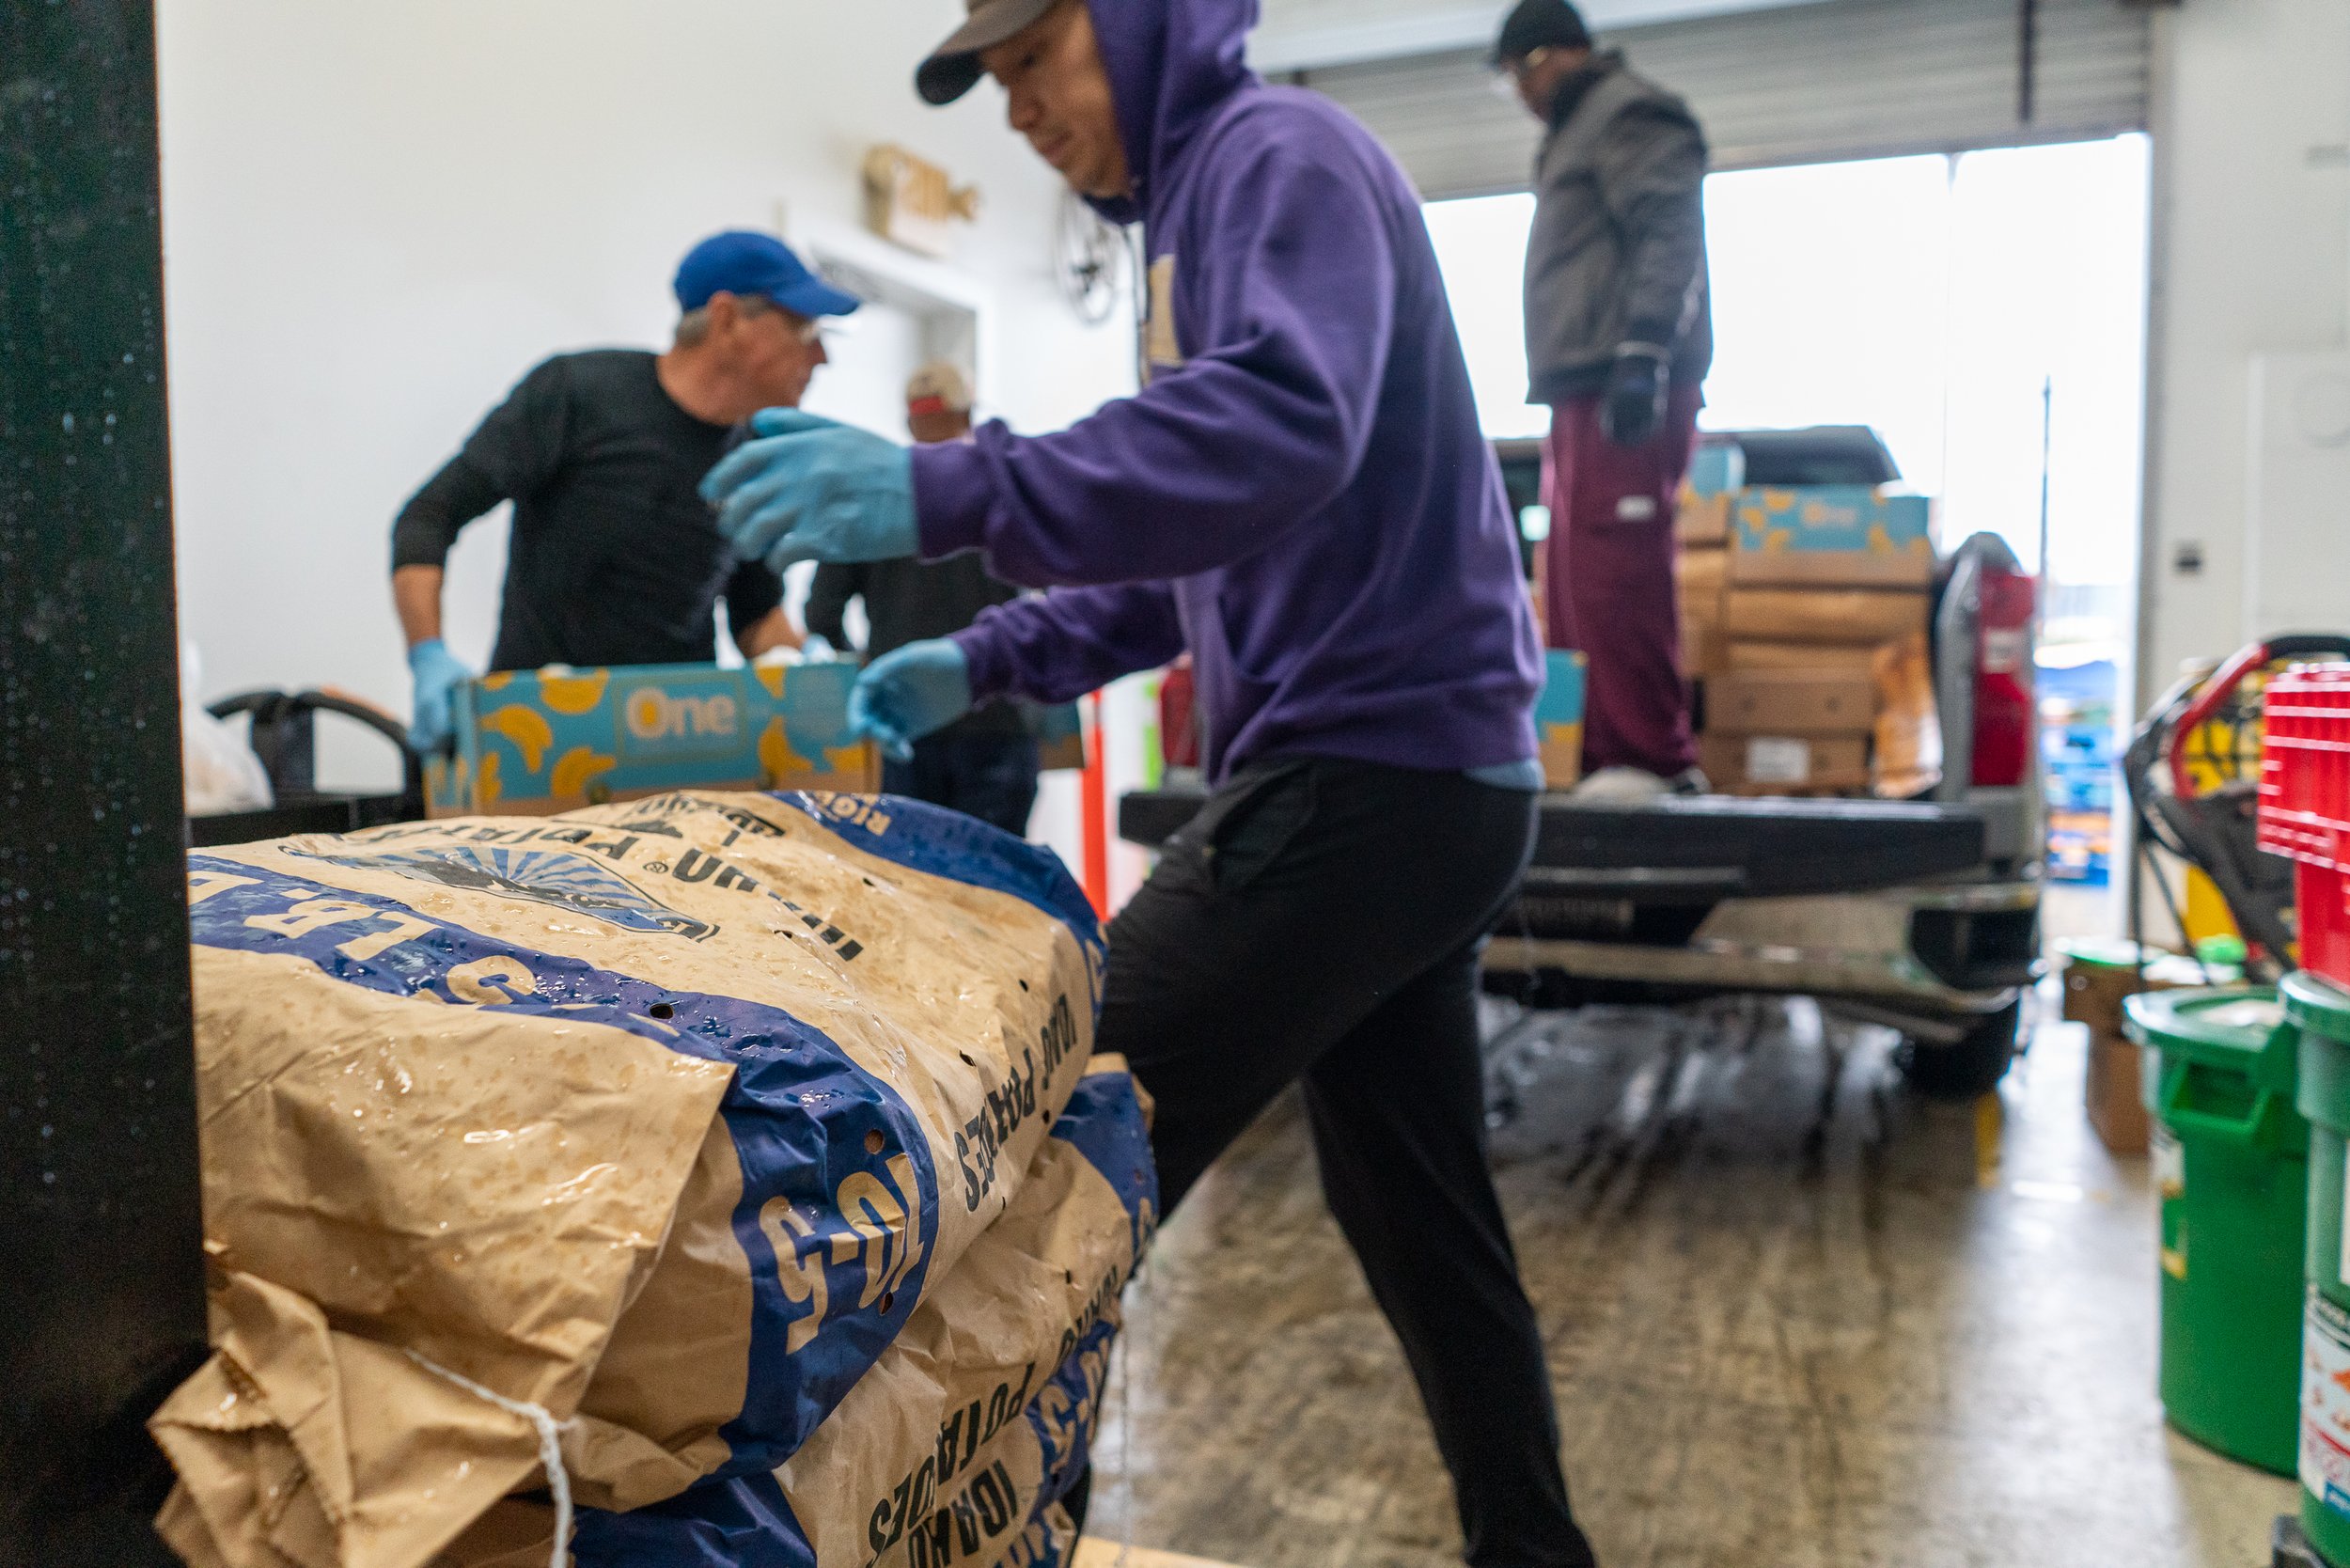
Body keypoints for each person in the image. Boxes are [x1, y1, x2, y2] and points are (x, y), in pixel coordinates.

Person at [700, 3, 1599, 1565]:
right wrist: (987, 656)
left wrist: (944, 487)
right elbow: (1199, 541)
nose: (1022, 109)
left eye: (1039, 58)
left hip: (1363, 777)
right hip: (1424, 785)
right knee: (1424, 1228)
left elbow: (1275, 432)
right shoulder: (1202, 223)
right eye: (996, 83)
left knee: (1042, 1177)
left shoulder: (1277, 157)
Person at [390, 230, 857, 751]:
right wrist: (427, 656)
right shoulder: (578, 394)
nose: (821, 356)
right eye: (804, 328)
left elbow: (755, 614)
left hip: (678, 746)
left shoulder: (756, 458)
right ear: (726, 320)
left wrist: (807, 676)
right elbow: (428, 517)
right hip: (544, 738)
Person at [1497, 0, 1712, 798]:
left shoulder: (1629, 113)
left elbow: (1668, 229)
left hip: (1624, 380)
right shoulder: (1580, 129)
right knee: (1576, 579)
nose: (1518, 94)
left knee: (1620, 573)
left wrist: (1644, 350)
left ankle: (1655, 760)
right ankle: (1594, 756)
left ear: (1556, 55)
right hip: (1582, 385)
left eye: (1520, 74)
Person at [803, 364, 1040, 837]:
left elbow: (821, 614)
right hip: (994, 718)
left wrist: (871, 667)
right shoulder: (1006, 492)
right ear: (968, 415)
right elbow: (1061, 592)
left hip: (905, 727)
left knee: (914, 882)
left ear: (909, 423)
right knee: (994, 889)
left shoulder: (872, 501)